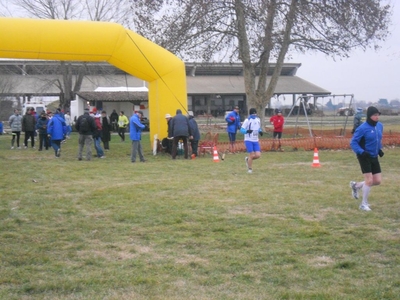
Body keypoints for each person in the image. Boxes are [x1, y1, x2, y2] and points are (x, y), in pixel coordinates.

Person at [349, 106, 384, 211]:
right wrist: (361, 152)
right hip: (364, 156)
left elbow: (377, 139)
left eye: (378, 115)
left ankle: (356, 186)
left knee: (377, 181)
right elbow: (353, 142)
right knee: (369, 180)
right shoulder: (362, 128)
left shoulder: (380, 126)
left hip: (374, 156)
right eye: (375, 115)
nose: (377, 117)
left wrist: (379, 149)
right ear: (369, 116)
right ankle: (363, 204)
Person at [240, 108, 263, 173]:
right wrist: (247, 131)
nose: (254, 114)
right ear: (250, 114)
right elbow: (242, 130)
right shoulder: (247, 120)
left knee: (258, 155)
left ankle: (248, 159)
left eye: (255, 113)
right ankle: (250, 169)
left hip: (255, 140)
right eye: (253, 113)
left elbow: (258, 128)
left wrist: (260, 131)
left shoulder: (258, 120)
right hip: (248, 140)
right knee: (252, 155)